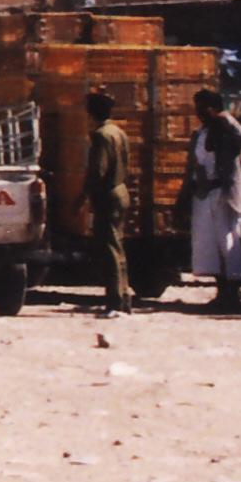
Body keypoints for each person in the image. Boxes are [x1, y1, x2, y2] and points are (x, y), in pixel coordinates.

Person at [181, 88, 241, 314]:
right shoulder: (199, 134)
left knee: (227, 243)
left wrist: (226, 118)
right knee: (210, 245)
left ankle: (233, 296)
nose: (199, 112)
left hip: (223, 194)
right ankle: (221, 294)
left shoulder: (226, 130)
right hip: (203, 195)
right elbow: (191, 166)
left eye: (202, 108)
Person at [81, 90, 134, 314]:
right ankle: (124, 297)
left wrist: (82, 197)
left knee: (109, 249)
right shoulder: (119, 132)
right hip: (120, 191)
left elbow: (98, 171)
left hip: (107, 196)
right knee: (118, 247)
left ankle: (114, 301)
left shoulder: (101, 135)